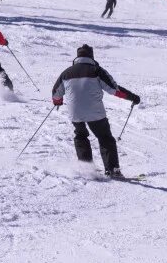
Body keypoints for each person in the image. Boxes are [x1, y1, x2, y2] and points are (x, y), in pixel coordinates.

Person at [51, 46, 142, 178]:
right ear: (91, 57)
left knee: (81, 136)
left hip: (75, 112)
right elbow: (114, 90)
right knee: (105, 138)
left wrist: (57, 102)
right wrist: (132, 97)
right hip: (95, 112)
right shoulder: (96, 70)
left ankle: (86, 169)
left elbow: (56, 93)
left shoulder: (66, 73)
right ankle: (112, 170)